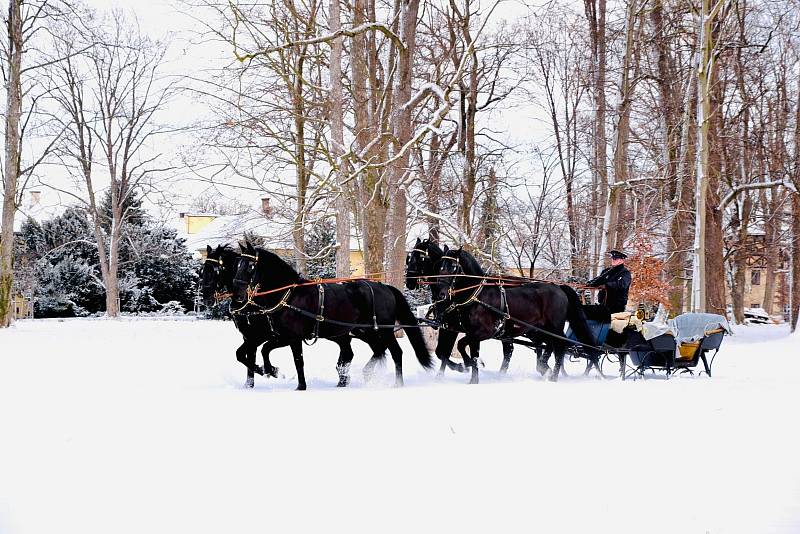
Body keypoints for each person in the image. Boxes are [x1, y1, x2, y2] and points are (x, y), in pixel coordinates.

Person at [587, 249, 632, 313]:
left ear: (622, 260)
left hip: (617, 306)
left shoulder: (625, 273)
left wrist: (607, 285)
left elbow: (622, 284)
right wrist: (590, 283)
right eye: (612, 258)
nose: (613, 260)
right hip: (603, 304)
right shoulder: (606, 271)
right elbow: (599, 279)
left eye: (615, 259)